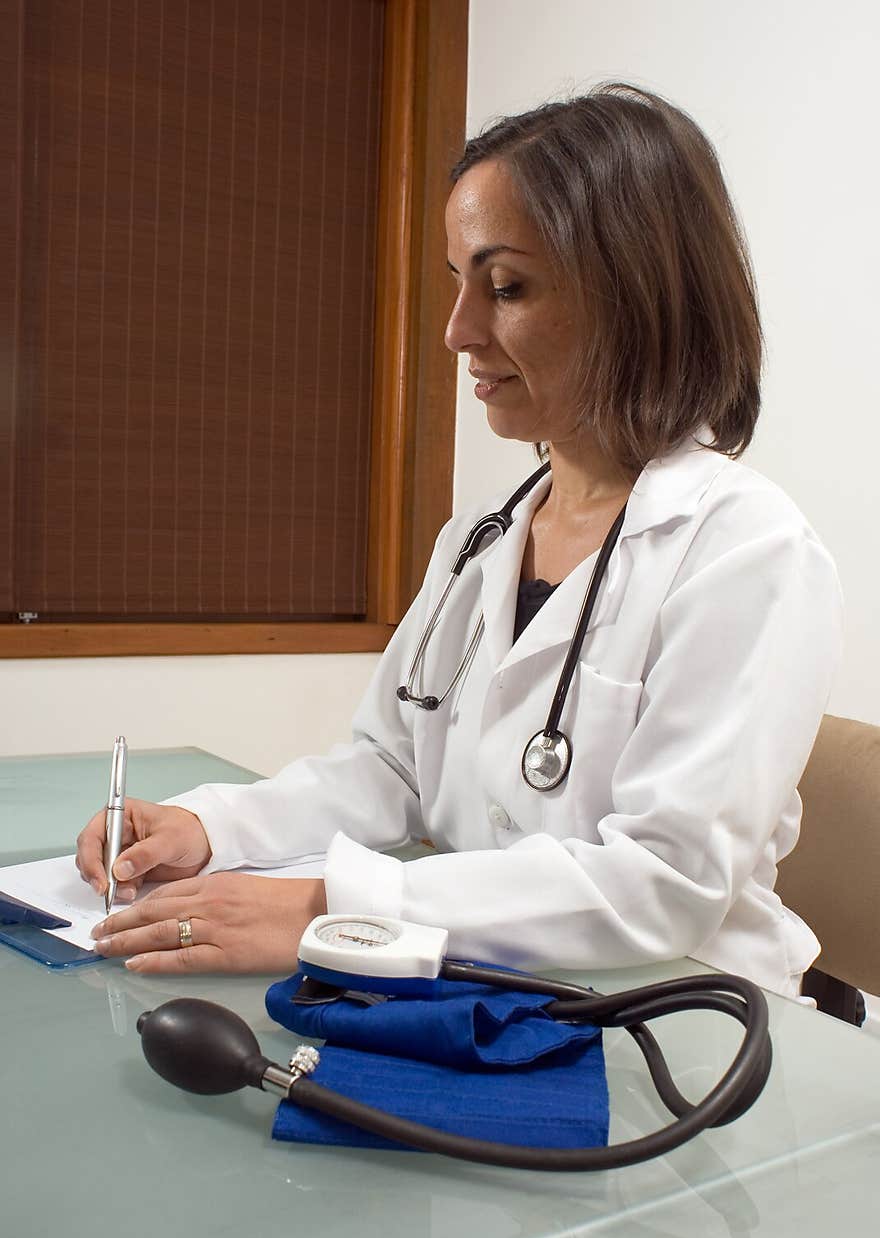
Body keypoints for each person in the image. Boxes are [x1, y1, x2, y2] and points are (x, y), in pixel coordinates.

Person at [76, 82, 842, 999]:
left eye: (507, 286)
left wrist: (337, 902)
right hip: (495, 988)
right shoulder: (482, 538)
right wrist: (212, 828)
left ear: (636, 292)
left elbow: (663, 884)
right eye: (459, 283)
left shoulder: (745, 551)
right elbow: (392, 766)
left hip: (682, 1015)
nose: (457, 332)